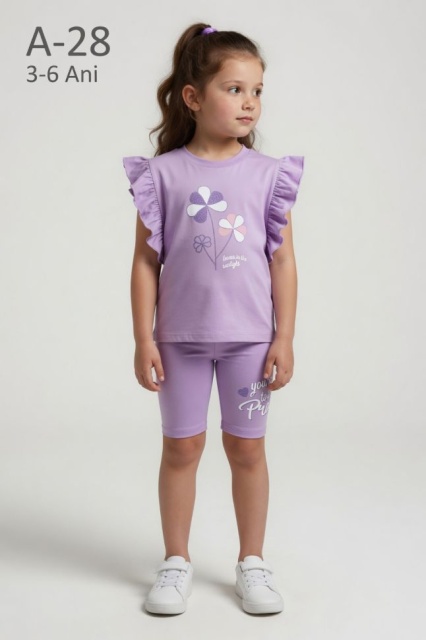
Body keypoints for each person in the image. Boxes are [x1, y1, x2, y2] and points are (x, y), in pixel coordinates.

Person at [122, 22, 304, 616]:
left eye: (257, 91)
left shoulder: (269, 175)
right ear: (193, 97)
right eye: (234, 89)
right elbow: (145, 262)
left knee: (247, 450)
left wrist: (283, 336)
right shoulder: (163, 175)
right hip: (180, 340)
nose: (249, 102)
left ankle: (252, 562)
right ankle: (176, 562)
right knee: (182, 447)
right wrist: (143, 338)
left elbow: (282, 261)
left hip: (250, 342)